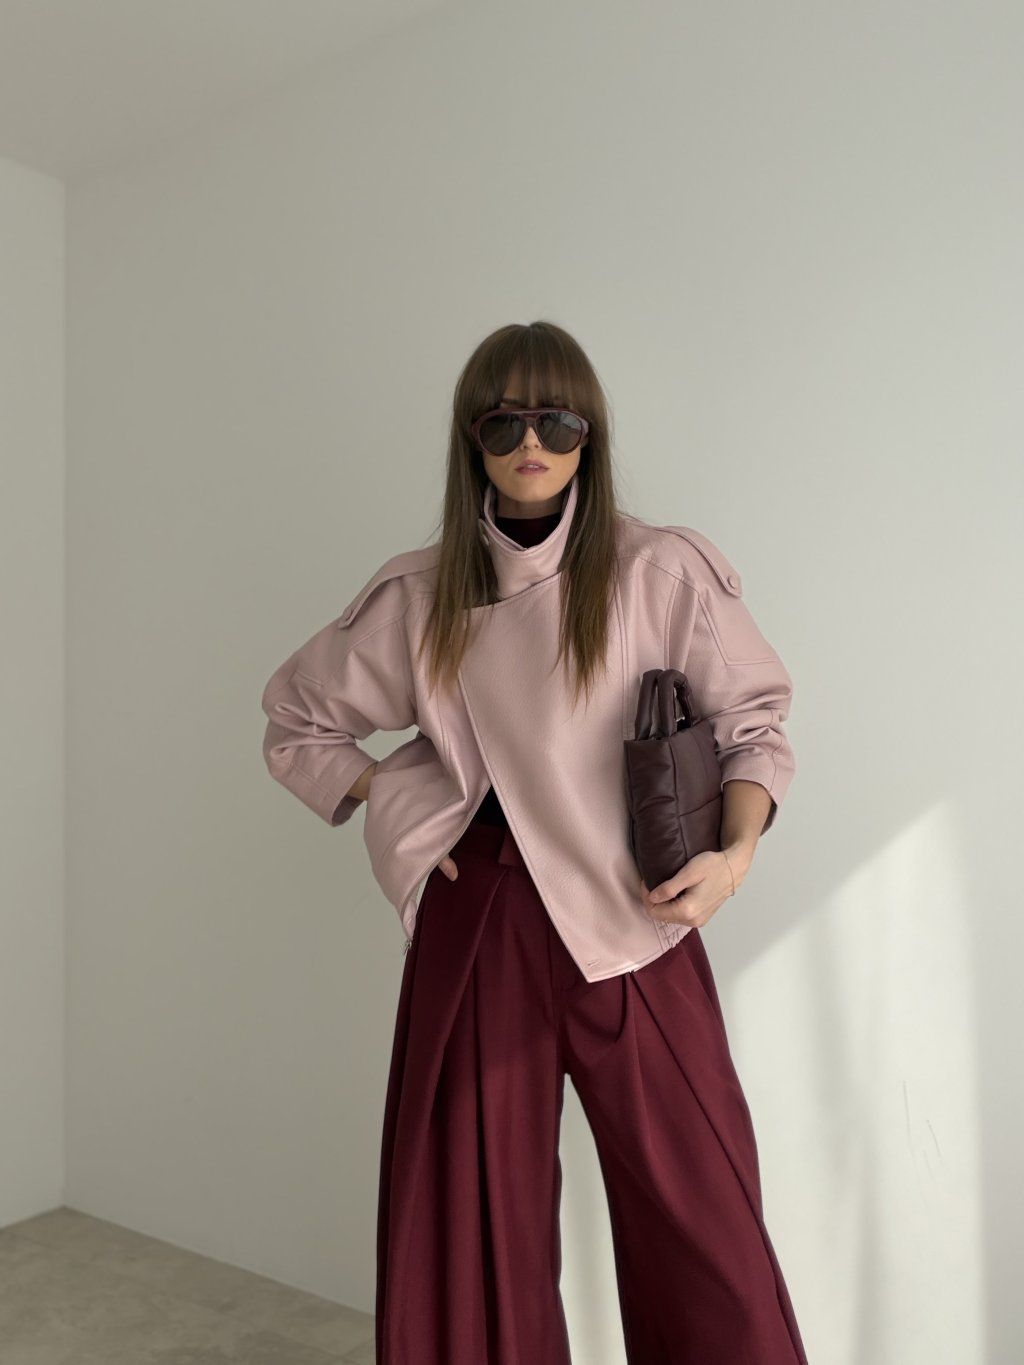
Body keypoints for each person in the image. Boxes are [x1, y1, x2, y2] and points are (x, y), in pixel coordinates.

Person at [261, 320, 809, 1364]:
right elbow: (297, 720)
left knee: (706, 1226)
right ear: (470, 438)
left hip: (638, 916)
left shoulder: (658, 570)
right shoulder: (419, 594)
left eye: (556, 421)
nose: (530, 442)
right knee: (472, 1237)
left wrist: (733, 860)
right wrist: (396, 797)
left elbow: (755, 726)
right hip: (481, 918)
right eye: (503, 421)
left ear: (589, 434)